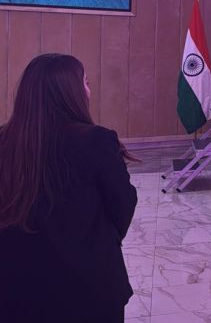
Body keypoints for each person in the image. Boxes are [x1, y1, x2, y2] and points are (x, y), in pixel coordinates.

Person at [0, 54, 138, 323]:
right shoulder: (96, 141)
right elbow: (122, 206)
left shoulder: (3, 142)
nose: (89, 91)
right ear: (70, 92)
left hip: (15, 289)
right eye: (85, 82)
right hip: (87, 287)